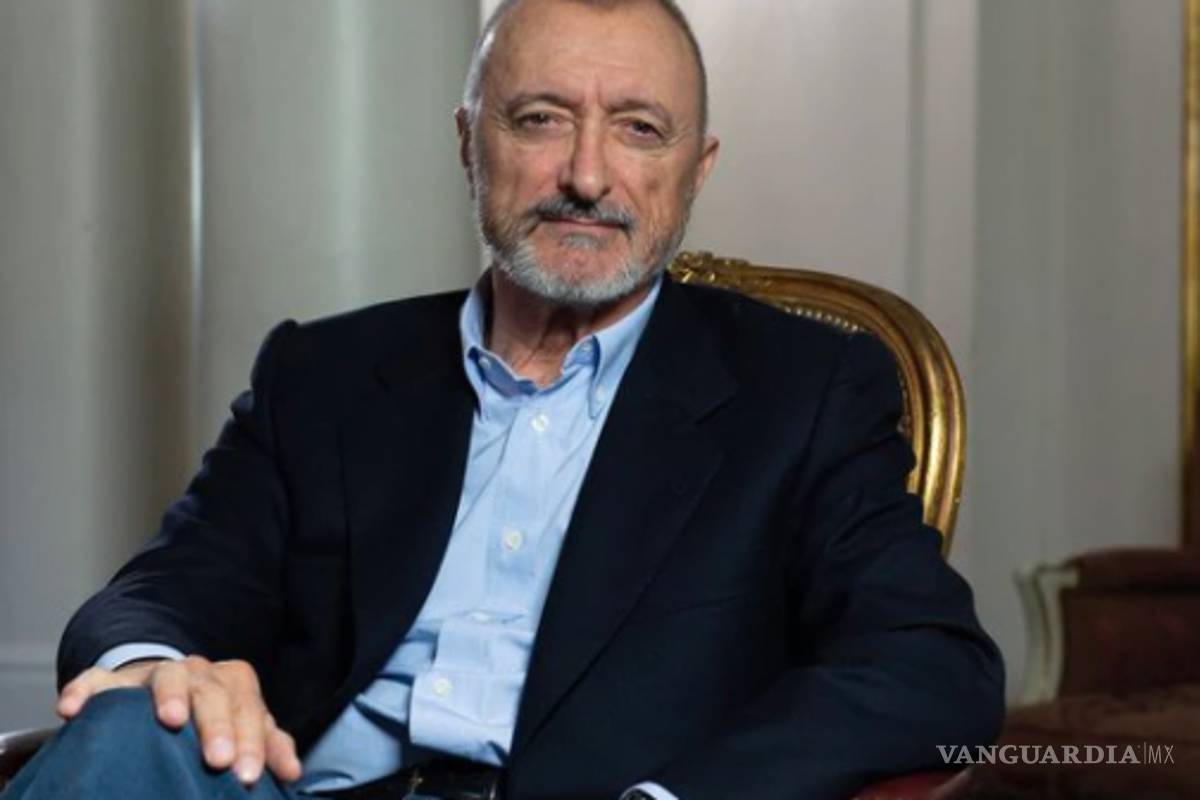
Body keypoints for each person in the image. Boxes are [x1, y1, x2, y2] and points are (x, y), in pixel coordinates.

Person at [2, 0, 1004, 798]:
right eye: (540, 119)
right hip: (308, 787)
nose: (586, 175)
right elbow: (162, 590)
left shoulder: (805, 391)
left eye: (639, 129)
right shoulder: (325, 374)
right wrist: (158, 666)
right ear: (468, 142)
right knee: (134, 722)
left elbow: (929, 663)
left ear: (696, 171)